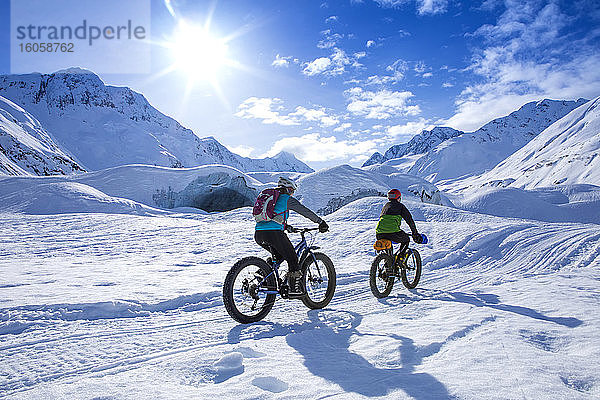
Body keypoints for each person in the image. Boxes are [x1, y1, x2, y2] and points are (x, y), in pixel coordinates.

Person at [255, 177, 329, 298]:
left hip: (259, 234)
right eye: (292, 191)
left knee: (278, 256)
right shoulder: (287, 199)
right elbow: (305, 211)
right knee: (292, 258)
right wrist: (320, 222)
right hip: (274, 234)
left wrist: (287, 227)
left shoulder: (272, 198)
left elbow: (272, 217)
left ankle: (262, 273)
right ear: (288, 189)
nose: (292, 193)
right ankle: (294, 289)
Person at [376, 189, 422, 257]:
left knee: (388, 248)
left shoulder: (386, 206)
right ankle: (400, 257)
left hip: (379, 233)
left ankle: (388, 261)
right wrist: (415, 233)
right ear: (398, 197)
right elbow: (409, 220)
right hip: (393, 232)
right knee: (406, 240)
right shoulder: (400, 206)